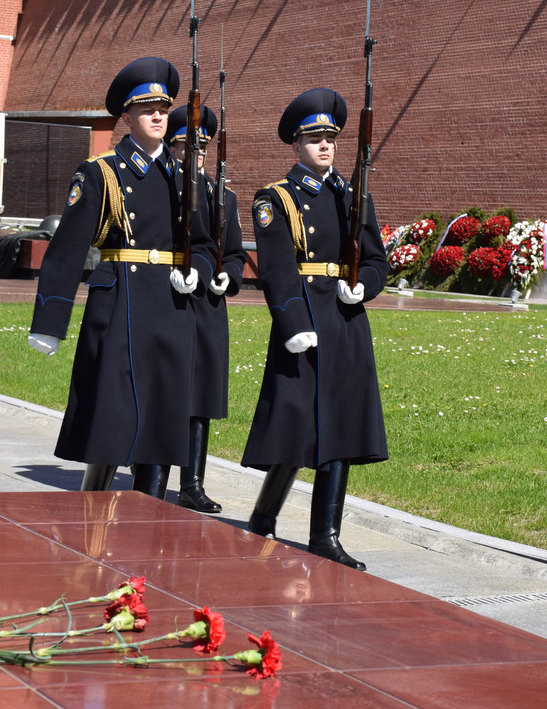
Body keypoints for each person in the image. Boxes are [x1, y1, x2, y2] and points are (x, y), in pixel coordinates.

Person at [27, 56, 215, 497]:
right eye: (146, 109)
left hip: (172, 309)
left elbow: (206, 244)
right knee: (109, 425)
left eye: (163, 109)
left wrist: (197, 273)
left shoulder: (185, 178)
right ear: (127, 117)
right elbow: (67, 251)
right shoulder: (102, 172)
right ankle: (90, 512)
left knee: (163, 429)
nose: (156, 117)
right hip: (120, 308)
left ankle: (148, 521)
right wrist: (50, 323)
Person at [242, 88, 388, 570]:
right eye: (314, 139)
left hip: (345, 319)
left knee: (341, 425)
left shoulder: (353, 193)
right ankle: (264, 515)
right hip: (304, 317)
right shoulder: (277, 198)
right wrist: (293, 324)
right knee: (294, 424)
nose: (324, 146)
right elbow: (278, 270)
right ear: (295, 145)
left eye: (330, 138)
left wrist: (363, 286)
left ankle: (325, 533)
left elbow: (375, 259)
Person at [166, 105, 247, 513]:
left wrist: (227, 277)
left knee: (201, 397)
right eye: (185, 146)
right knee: (169, 392)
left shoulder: (223, 197)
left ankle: (192, 482)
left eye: (201, 148)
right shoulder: (166, 189)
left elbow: (233, 253)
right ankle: (157, 473)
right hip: (174, 300)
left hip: (209, 305)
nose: (194, 155)